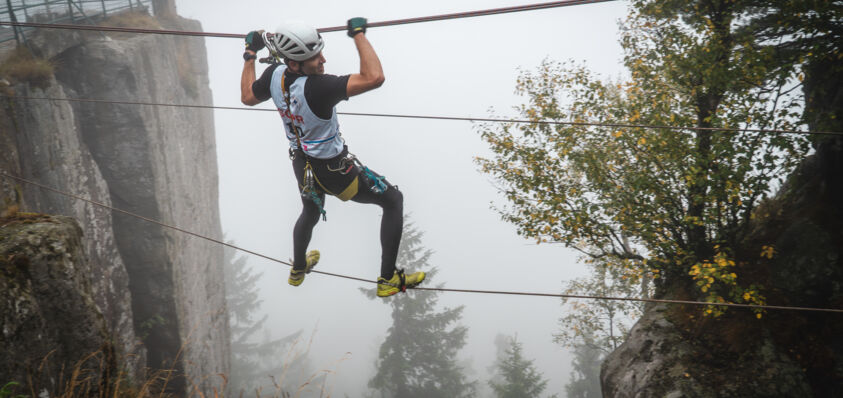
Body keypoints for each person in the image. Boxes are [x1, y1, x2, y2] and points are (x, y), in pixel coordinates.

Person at [239, 18, 425, 297]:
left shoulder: (275, 75)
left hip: (302, 165)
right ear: (294, 64)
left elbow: (247, 97)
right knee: (393, 200)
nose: (323, 60)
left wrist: (250, 54)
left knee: (310, 212)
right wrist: (358, 34)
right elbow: (375, 77)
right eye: (315, 58)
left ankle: (298, 269)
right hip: (336, 172)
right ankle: (387, 279)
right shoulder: (319, 88)